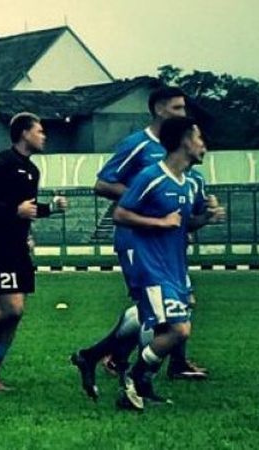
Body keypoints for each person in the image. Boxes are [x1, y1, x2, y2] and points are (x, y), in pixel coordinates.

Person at [71, 87, 208, 401]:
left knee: (164, 310)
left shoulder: (185, 176)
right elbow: (103, 184)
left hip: (166, 247)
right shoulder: (140, 148)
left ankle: (99, 357)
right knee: (163, 317)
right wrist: (150, 209)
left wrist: (198, 217)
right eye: (176, 108)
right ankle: (134, 373)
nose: (182, 114)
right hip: (138, 244)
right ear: (159, 109)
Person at [115, 117, 225, 410]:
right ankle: (134, 377)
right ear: (185, 140)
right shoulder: (151, 175)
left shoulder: (188, 183)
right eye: (199, 138)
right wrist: (159, 221)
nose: (204, 145)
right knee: (179, 330)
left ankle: (138, 385)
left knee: (171, 331)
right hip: (151, 266)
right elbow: (121, 214)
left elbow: (183, 225)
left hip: (175, 267)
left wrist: (207, 218)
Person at [0, 113, 67, 391]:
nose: (44, 136)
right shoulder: (1, 163)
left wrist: (51, 208)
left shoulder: (32, 170)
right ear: (25, 133)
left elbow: (29, 209)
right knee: (9, 308)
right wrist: (13, 212)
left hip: (17, 247)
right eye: (39, 131)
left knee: (14, 314)